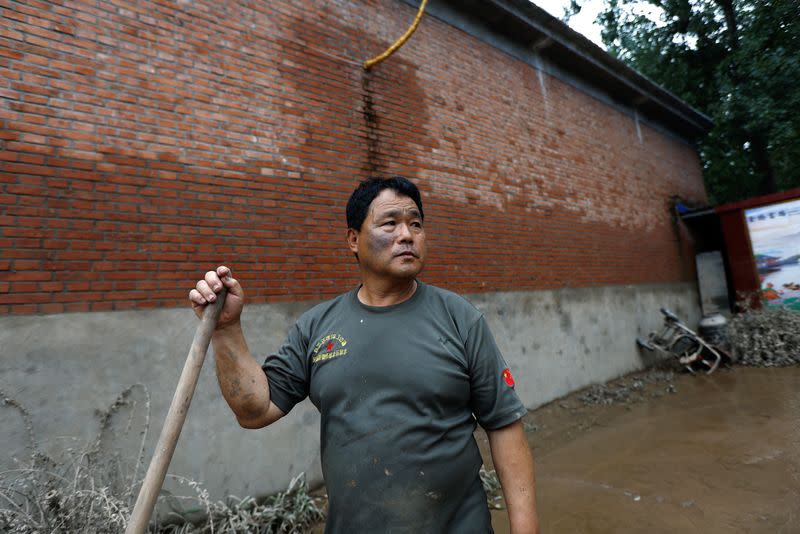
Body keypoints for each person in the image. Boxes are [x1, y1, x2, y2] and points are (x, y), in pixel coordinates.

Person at [189, 176, 539, 533]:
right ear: (353, 239)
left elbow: (504, 423)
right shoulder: (317, 328)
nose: (407, 235)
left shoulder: (459, 319)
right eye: (390, 223)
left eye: (416, 224)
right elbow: (255, 410)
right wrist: (227, 330)